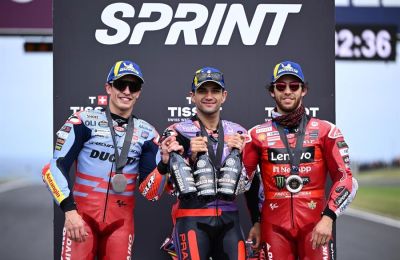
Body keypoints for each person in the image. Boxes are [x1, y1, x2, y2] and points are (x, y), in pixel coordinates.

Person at [41, 60, 166, 259]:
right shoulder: (83, 121)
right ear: (108, 88)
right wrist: (70, 211)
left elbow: (151, 193)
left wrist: (164, 165)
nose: (126, 91)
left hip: (120, 225)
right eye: (120, 84)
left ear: (139, 92)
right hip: (81, 220)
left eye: (133, 86)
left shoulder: (148, 134)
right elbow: (53, 168)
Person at [243, 61, 358, 259]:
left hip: (315, 226)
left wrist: (329, 218)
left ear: (303, 90)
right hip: (273, 228)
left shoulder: (326, 131)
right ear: (272, 91)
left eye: (294, 86)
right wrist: (256, 221)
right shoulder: (255, 135)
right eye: (281, 86)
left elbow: (347, 180)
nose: (287, 91)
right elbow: (246, 183)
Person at [151, 67, 260, 260]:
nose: (209, 96)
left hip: (230, 221)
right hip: (191, 218)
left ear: (224, 96)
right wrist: (190, 160)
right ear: (192, 96)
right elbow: (159, 191)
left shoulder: (239, 132)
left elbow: (246, 186)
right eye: (202, 91)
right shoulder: (176, 131)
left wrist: (240, 160)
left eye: (215, 91)